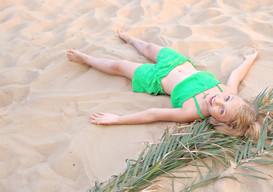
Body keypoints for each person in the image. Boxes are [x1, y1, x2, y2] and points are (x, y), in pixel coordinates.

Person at [67, 29, 261, 138]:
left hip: (156, 78)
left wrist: (117, 118)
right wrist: (250, 59)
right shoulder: (227, 89)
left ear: (218, 121)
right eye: (227, 98)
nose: (217, 100)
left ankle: (86, 60)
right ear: (232, 95)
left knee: (120, 65)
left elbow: (153, 114)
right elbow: (237, 73)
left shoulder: (191, 112)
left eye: (221, 110)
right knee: (149, 47)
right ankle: (129, 38)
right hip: (178, 61)